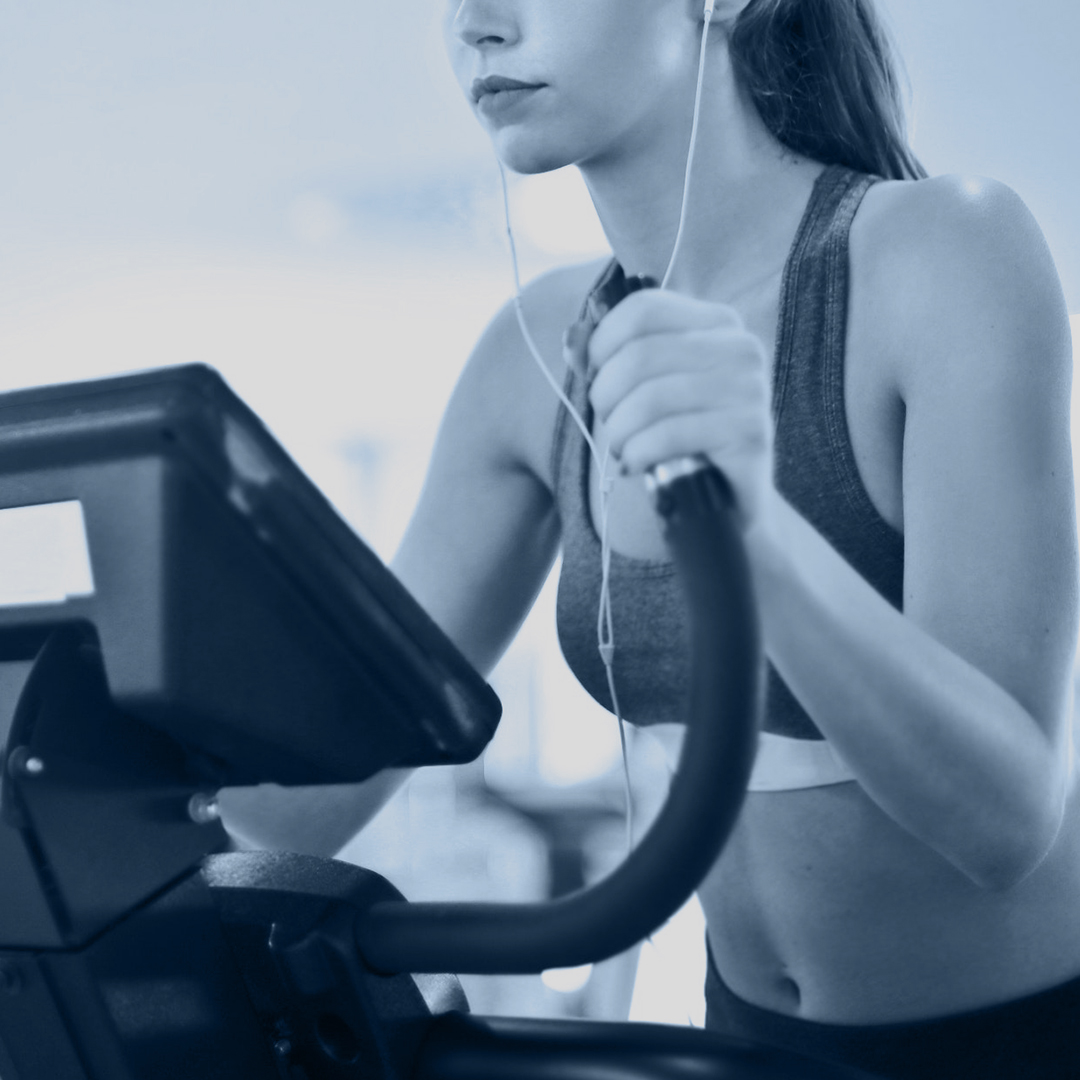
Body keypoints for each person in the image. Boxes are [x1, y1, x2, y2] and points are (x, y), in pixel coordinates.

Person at [225, 1, 1080, 1076]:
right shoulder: (533, 354)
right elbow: (306, 802)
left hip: (1025, 1037)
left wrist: (744, 521)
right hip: (751, 1039)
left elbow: (1003, 821)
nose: (477, 26)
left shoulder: (942, 249)